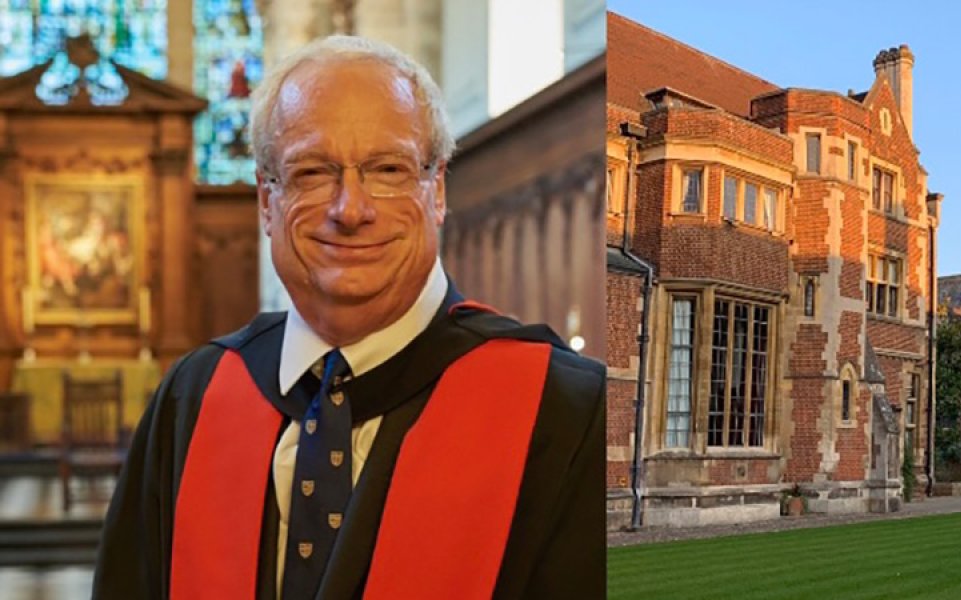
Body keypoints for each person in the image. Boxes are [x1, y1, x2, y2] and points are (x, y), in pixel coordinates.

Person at [92, 35, 604, 600]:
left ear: (437, 192)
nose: (351, 210)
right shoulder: (194, 397)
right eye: (312, 173)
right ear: (267, 201)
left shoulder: (564, 410)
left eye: (388, 170)